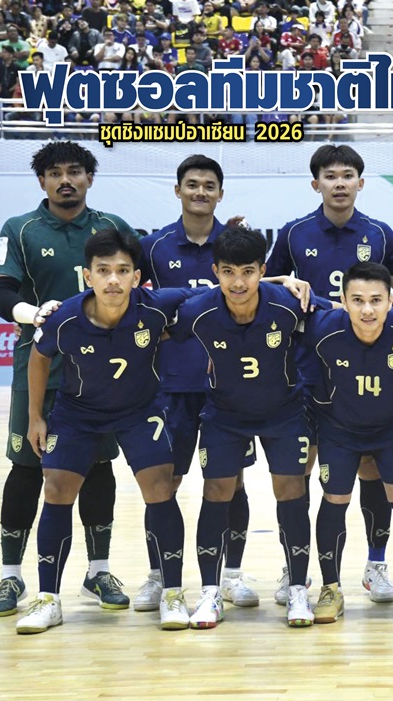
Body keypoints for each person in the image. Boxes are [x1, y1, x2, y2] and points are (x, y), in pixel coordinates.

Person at [266, 145, 393, 607]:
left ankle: (376, 564)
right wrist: (282, 281)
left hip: (365, 371)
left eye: (347, 175)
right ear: (315, 183)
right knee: (301, 473)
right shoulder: (294, 233)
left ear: (361, 183)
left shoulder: (379, 234)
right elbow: (264, 287)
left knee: (373, 468)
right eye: (330, 176)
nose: (339, 183)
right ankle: (295, 566)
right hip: (307, 375)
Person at [15, 230, 196, 634]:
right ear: (88, 276)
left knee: (160, 486)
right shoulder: (65, 317)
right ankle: (48, 599)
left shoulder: (157, 307)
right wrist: (35, 417)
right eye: (103, 270)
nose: (113, 279)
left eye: (122, 270)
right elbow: (39, 358)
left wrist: (279, 280)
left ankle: (171, 593)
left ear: (137, 277)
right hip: (78, 412)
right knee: (56, 488)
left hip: (140, 410)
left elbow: (224, 291)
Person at [0, 141, 134, 617]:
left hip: (101, 375)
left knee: (98, 466)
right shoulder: (20, 229)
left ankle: (98, 571)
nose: (65, 180)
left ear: (89, 179)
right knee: (27, 468)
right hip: (40, 371)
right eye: (55, 173)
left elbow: (145, 281)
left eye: (74, 171)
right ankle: (11, 576)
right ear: (42, 181)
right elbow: (1, 292)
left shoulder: (113, 227)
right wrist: (31, 313)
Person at [168, 227, 323, 629]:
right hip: (224, 415)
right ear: (215, 272)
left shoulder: (290, 304)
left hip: (284, 413)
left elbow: (348, 312)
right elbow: (150, 318)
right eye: (229, 272)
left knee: (291, 491)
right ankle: (210, 592)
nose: (238, 282)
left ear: (262, 271)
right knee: (217, 491)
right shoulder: (197, 310)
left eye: (248, 272)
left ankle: (298, 589)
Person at [132, 156, 260, 613]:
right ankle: (159, 576)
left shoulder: (235, 245)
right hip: (170, 387)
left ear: (221, 194)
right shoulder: (152, 247)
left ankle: (231, 576)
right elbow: (135, 302)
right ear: (177, 191)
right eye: (192, 184)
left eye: (209, 185)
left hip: (228, 387)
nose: (200, 192)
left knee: (231, 482)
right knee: (163, 483)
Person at [302, 262, 393, 624]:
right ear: (343, 301)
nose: (367, 309)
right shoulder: (322, 326)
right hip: (338, 428)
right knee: (335, 499)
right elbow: (269, 301)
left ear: (390, 301)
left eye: (376, 300)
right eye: (358, 300)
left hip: (392, 427)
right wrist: (283, 279)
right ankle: (330, 588)